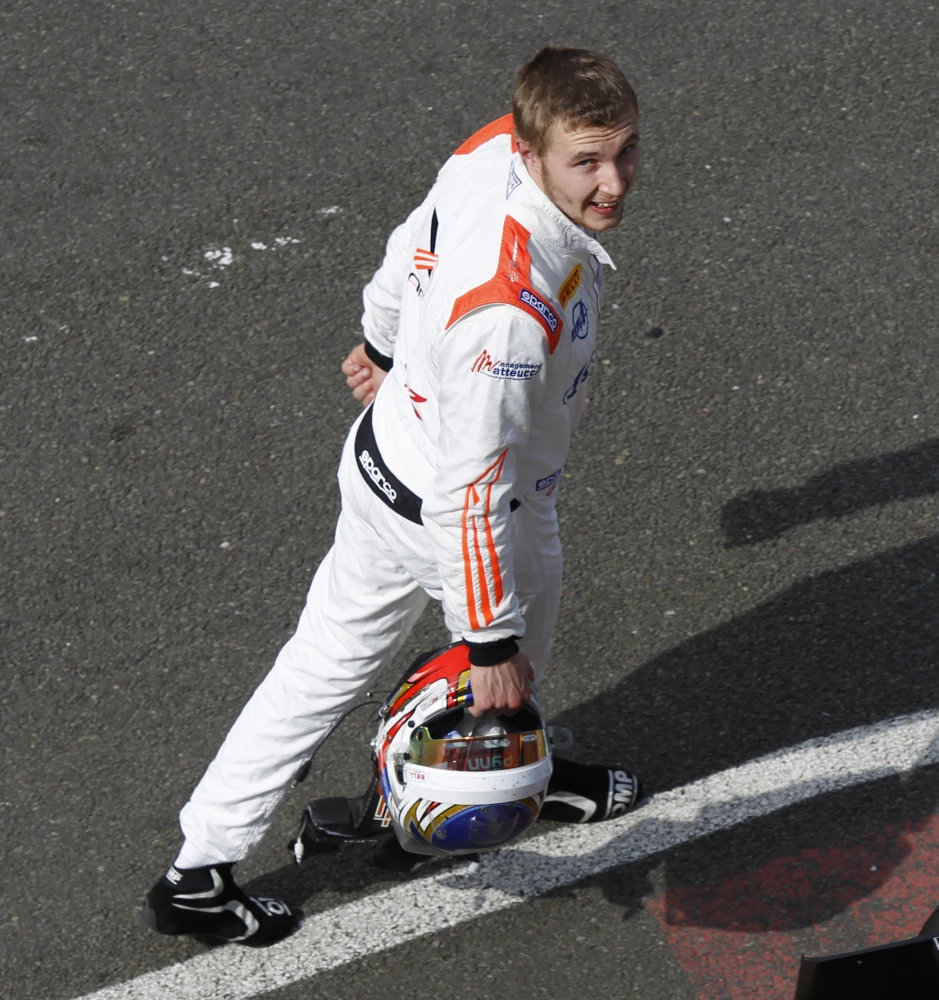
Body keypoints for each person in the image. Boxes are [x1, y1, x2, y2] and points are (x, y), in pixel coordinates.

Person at [141, 47, 644, 945]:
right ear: (533, 155)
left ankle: (197, 871)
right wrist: (489, 641)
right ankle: (473, 779)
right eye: (588, 162)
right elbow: (474, 492)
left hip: (382, 467)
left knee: (320, 663)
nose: (613, 182)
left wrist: (379, 341)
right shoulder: (506, 324)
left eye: (624, 152)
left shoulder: (488, 149)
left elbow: (412, 242)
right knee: (511, 668)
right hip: (466, 512)